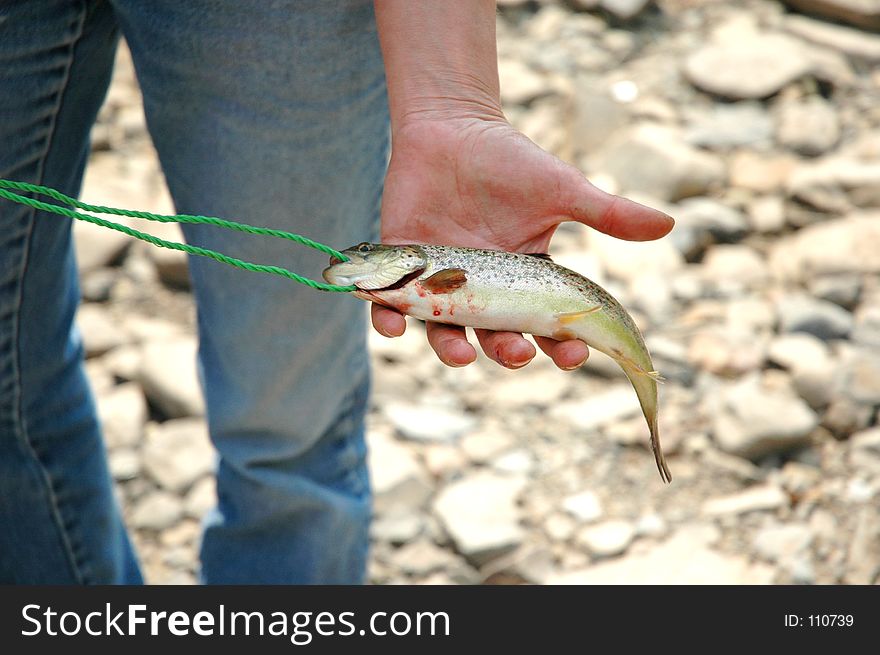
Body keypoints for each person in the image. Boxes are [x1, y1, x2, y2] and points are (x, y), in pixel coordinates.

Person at [0, 0, 673, 584]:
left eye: (368, 256)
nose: (357, 259)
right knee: (9, 391)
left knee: (285, 422)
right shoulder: (413, 278)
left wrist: (450, 105)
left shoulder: (418, 272)